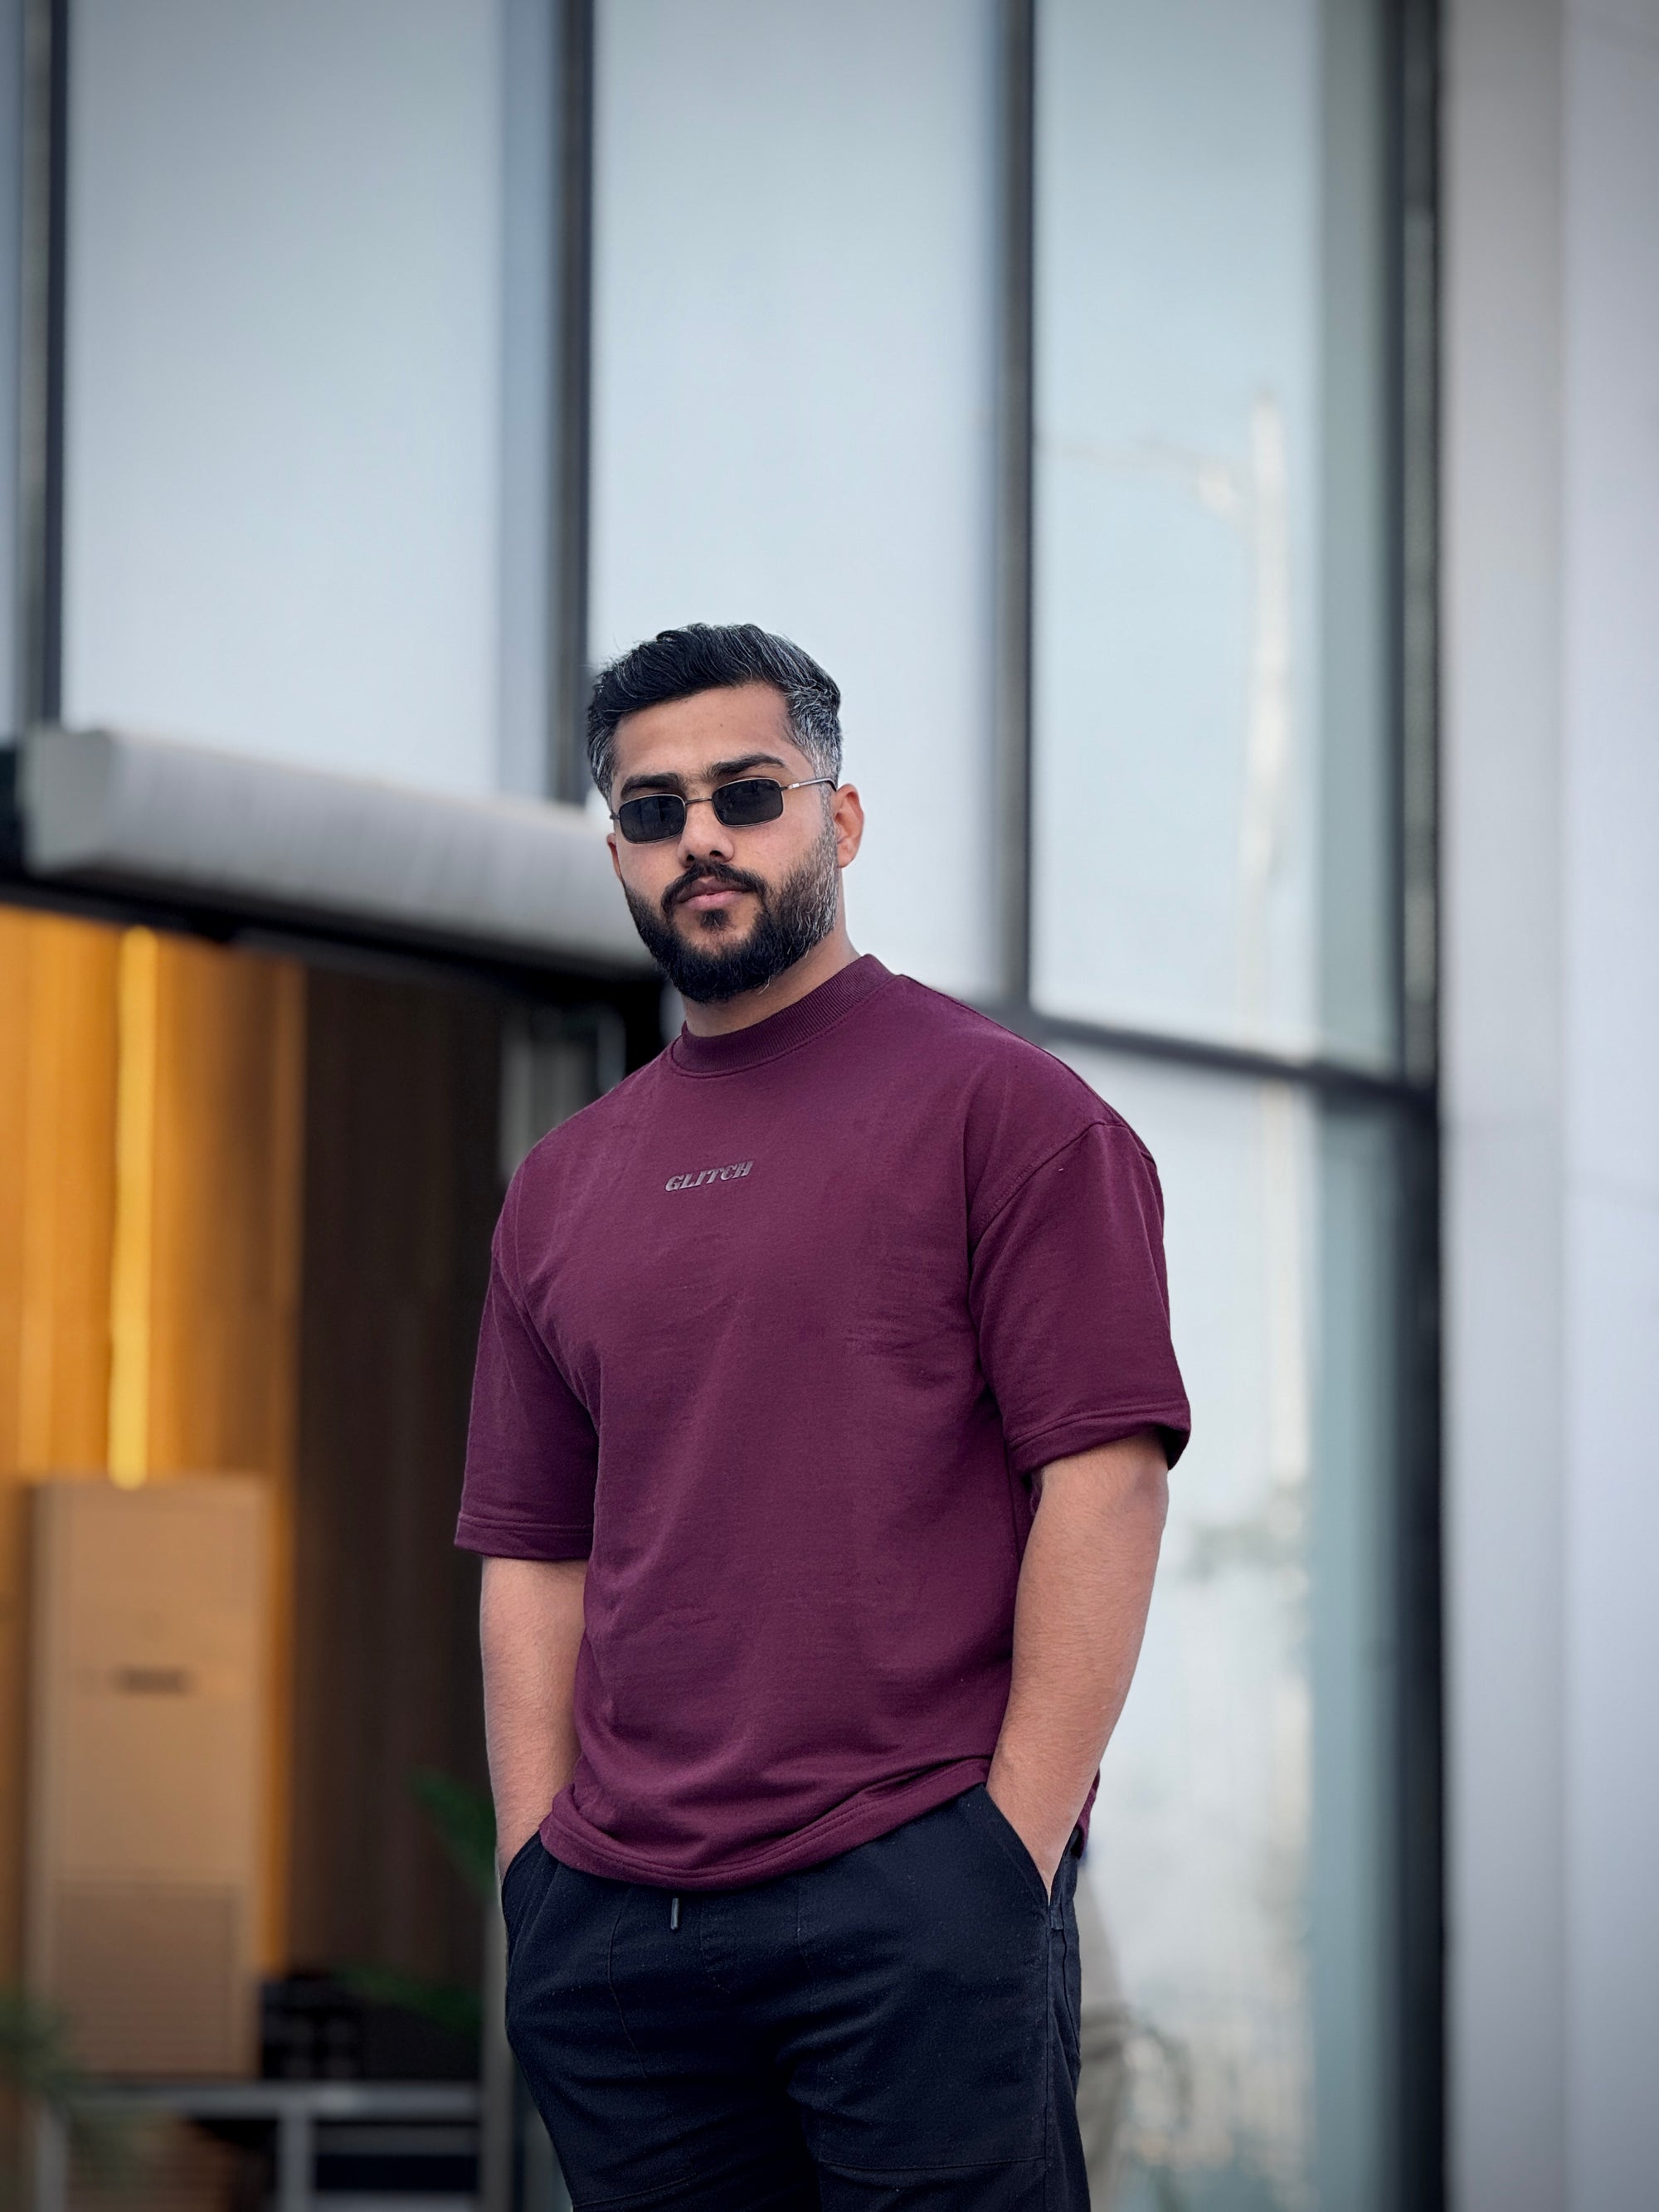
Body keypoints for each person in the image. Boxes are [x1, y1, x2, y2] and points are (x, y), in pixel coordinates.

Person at [456, 624, 1190, 2210]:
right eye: (653, 811)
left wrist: (1005, 1859)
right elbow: (533, 1553)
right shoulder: (562, 1188)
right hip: (622, 1939)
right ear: (619, 855)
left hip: (913, 1891)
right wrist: (539, 1881)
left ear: (838, 822)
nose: (700, 836)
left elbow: (1107, 1485)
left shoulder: (1010, 1112)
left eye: (746, 791)